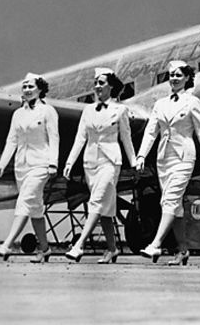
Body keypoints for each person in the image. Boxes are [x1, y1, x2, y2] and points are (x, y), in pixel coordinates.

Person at [136, 60, 200, 265]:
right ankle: (182, 250)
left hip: (184, 156)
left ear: (187, 78)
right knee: (175, 205)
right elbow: (151, 132)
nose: (174, 78)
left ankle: (156, 245)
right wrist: (142, 155)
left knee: (169, 200)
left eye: (179, 75)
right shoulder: (160, 104)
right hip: (164, 158)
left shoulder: (192, 102)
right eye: (171, 75)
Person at [63, 68, 136, 263]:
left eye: (101, 83)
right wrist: (70, 162)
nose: (97, 86)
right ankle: (112, 249)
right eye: (95, 83)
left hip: (110, 162)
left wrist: (135, 162)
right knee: (105, 209)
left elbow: (126, 138)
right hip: (90, 162)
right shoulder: (87, 110)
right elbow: (80, 138)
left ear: (111, 86)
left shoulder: (120, 110)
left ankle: (79, 246)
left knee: (96, 201)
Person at [0, 73, 59, 263]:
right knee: (35, 208)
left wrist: (53, 163)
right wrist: (2, 163)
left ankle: (6, 244)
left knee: (25, 201)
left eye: (30, 86)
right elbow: (11, 140)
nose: (26, 90)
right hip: (21, 165)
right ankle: (45, 249)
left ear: (40, 89)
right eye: (24, 87)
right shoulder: (18, 114)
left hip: (41, 163)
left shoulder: (48, 111)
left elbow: (54, 138)